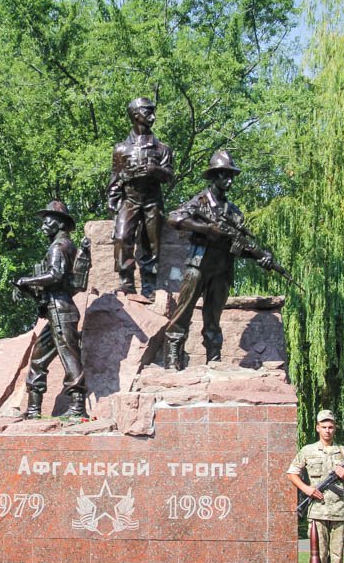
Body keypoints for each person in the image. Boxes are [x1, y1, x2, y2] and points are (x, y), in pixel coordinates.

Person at [163, 149, 273, 369]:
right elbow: (174, 218)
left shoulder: (234, 212)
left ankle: (214, 358)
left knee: (213, 318)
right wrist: (206, 229)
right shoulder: (200, 201)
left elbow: (238, 247)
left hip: (222, 269)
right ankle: (173, 356)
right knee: (183, 312)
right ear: (214, 176)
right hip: (198, 266)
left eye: (231, 176)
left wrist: (260, 257)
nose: (230, 180)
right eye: (224, 175)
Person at [14, 200, 87, 419]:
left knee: (70, 358)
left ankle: (77, 408)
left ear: (60, 223)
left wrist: (25, 280)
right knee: (38, 360)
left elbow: (56, 275)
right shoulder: (63, 245)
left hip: (61, 311)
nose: (43, 226)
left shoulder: (59, 246)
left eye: (48, 221)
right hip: (55, 312)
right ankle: (33, 410)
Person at [286, 409, 344, 563]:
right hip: (317, 511)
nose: (327, 430)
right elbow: (292, 473)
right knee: (320, 553)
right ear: (317, 428)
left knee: (337, 553)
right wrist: (307, 489)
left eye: (331, 427)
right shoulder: (307, 451)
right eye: (324, 427)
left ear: (335, 428)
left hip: (339, 512)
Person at [107, 96, 174, 300]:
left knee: (151, 243)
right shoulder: (121, 149)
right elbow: (115, 178)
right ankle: (126, 281)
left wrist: (155, 170)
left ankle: (149, 285)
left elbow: (169, 176)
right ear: (135, 115)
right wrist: (113, 203)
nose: (153, 117)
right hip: (129, 200)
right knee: (122, 237)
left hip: (152, 201)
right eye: (148, 112)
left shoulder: (162, 148)